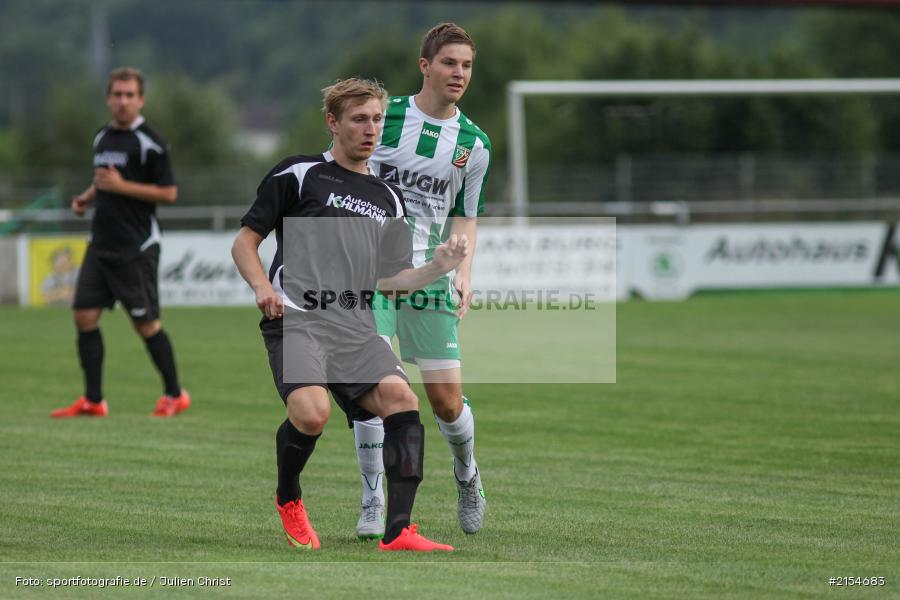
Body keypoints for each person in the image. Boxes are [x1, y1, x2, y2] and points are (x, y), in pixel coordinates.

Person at [231, 78, 467, 551]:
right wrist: (262, 288)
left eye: (377, 119)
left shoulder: (388, 199)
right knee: (312, 414)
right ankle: (289, 496)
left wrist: (437, 268)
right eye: (359, 118)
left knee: (403, 400)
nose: (371, 129)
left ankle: (399, 531)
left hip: (355, 326)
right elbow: (245, 243)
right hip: (297, 318)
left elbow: (390, 280)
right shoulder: (297, 175)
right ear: (333, 122)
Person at [352, 23, 491, 538]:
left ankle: (466, 473)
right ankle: (372, 499)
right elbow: (341, 172)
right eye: (450, 63)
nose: (460, 73)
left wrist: (465, 273)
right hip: (372, 274)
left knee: (446, 402)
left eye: (468, 65)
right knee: (375, 384)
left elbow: (466, 215)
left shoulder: (474, 145)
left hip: (431, 276)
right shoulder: (381, 119)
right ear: (425, 66)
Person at [51, 67, 190, 419]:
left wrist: (120, 187)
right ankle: (93, 400)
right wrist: (85, 198)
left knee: (146, 325)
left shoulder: (151, 142)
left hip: (136, 247)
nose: (123, 101)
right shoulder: (102, 137)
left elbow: (169, 193)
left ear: (140, 99)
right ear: (108, 98)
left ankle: (175, 394)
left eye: (130, 95)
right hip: (100, 243)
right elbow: (103, 181)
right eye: (118, 94)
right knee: (84, 316)